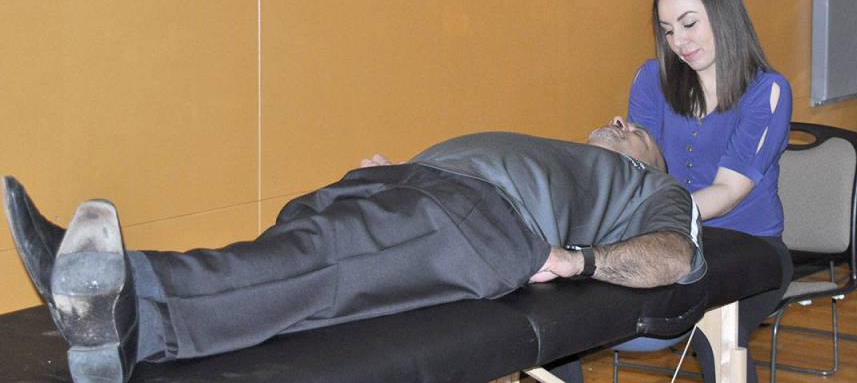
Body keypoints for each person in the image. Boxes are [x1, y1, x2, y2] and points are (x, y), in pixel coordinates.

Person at [4, 120, 705, 383]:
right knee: (299, 265)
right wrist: (396, 168)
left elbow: (674, 257)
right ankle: (129, 334)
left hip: (478, 221)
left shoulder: (656, 188)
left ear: (654, 158)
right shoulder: (567, 153)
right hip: (411, 186)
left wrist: (577, 260)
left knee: (320, 262)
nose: (618, 120)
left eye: (634, 127)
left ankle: (121, 290)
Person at [627, 0, 793, 383]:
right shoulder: (651, 79)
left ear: (722, 14)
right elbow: (636, 172)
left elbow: (728, 189)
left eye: (688, 24)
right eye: (667, 30)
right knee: (571, 312)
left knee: (715, 334)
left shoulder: (767, 90)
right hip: (672, 237)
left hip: (750, 246)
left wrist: (655, 215)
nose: (678, 42)